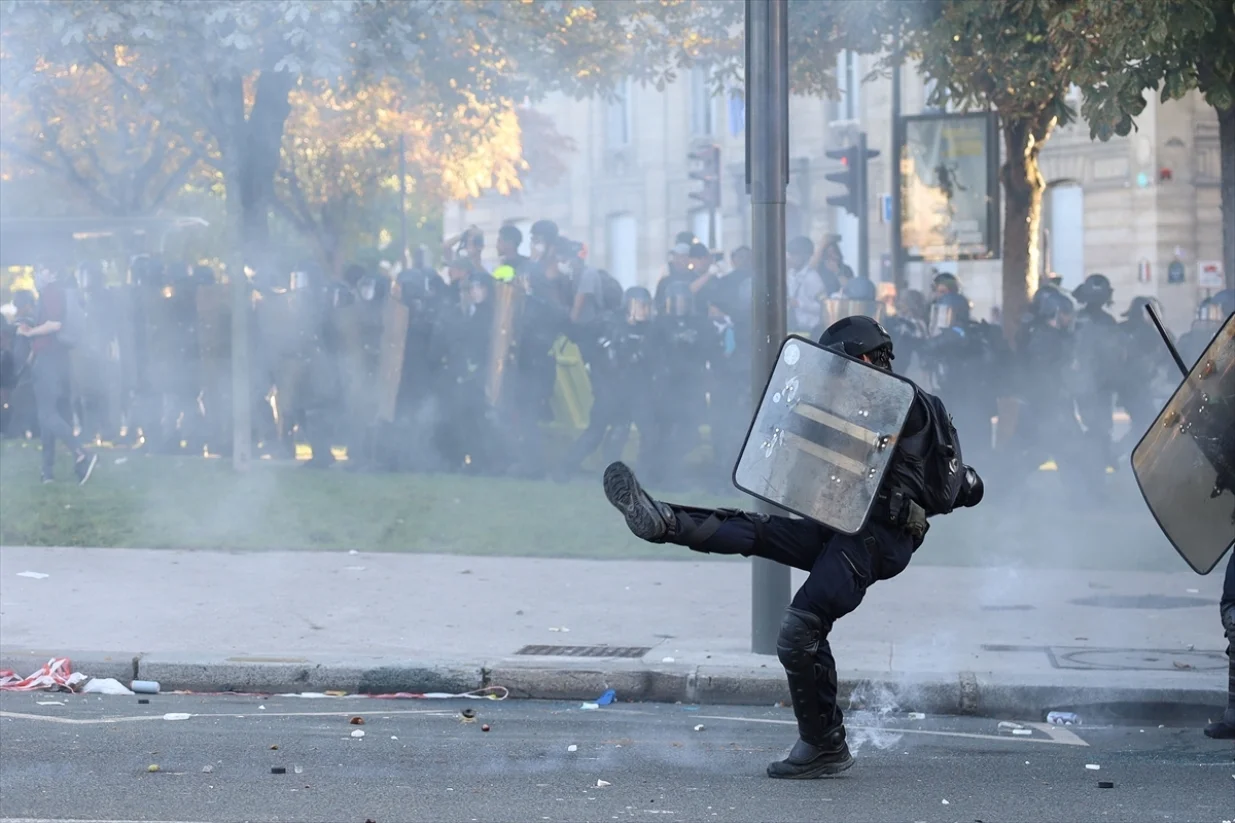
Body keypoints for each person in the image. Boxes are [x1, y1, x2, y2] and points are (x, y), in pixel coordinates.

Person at [601, 316, 984, 778]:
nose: (832, 381)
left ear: (860, 361)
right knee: (759, 530)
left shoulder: (906, 406)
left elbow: (930, 475)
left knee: (799, 630)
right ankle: (664, 521)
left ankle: (824, 745)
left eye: (836, 368)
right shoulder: (875, 410)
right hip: (845, 526)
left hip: (874, 543)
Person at [17, 265, 98, 484]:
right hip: (56, 360)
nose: (38, 274)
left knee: (46, 415)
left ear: (53, 273)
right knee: (53, 417)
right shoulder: (53, 293)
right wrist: (30, 360)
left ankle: (81, 453)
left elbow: (54, 324)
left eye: (42, 269)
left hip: (50, 361)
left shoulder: (52, 292)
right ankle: (48, 473)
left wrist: (29, 332)